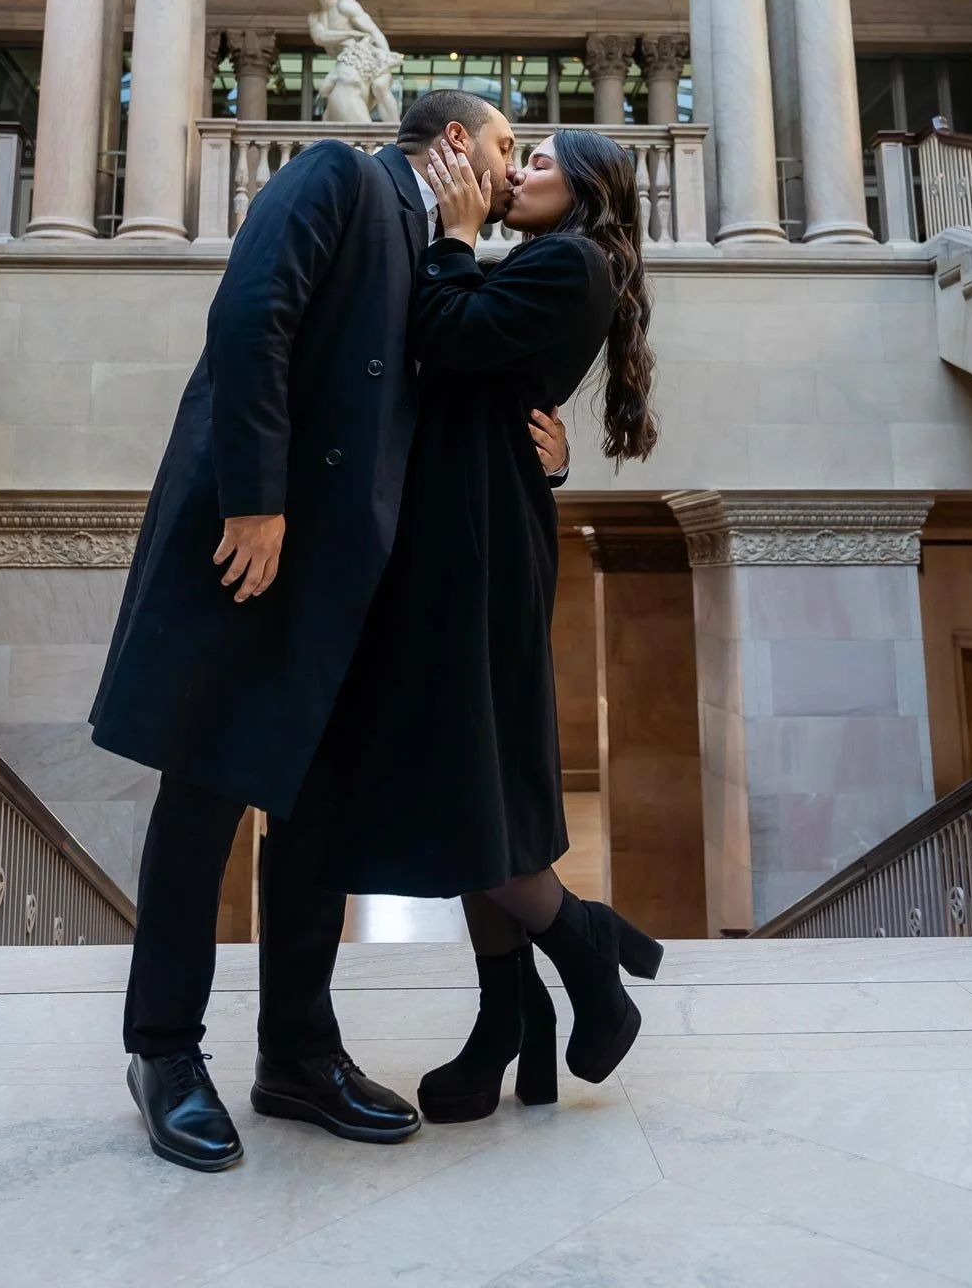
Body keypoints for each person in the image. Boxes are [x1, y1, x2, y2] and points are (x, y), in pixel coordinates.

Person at [89, 90, 541, 1173]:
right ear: (447, 146)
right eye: (502, 147)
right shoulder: (337, 176)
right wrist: (254, 499)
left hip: (344, 579)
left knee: (314, 818)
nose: (510, 169)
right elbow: (253, 318)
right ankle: (162, 1052)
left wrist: (544, 448)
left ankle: (296, 1052)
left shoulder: (439, 253)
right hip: (252, 547)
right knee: (202, 799)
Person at [325, 128, 662, 1124]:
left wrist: (453, 238)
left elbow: (445, 336)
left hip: (474, 543)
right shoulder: (554, 262)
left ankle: (585, 954)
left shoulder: (570, 260)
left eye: (542, 162)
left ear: (593, 188)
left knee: (467, 780)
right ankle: (507, 1021)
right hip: (465, 522)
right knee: (477, 789)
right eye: (518, 158)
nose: (517, 173)